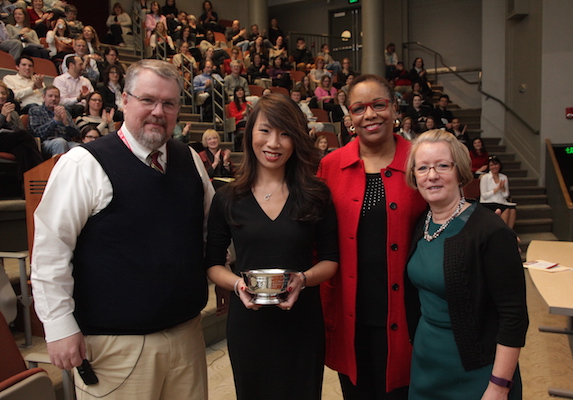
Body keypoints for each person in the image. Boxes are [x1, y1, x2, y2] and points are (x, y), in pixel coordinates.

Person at [31, 59, 215, 400]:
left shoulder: (190, 159)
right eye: (148, 100)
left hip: (187, 338)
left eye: (169, 103)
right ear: (124, 101)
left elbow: (209, 234)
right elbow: (50, 251)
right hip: (116, 349)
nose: (158, 111)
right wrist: (58, 326)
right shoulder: (82, 163)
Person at [205, 93, 339, 400]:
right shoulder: (228, 197)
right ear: (250, 132)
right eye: (265, 130)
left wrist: (302, 280)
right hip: (248, 325)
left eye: (285, 133)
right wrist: (238, 284)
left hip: (302, 323)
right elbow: (213, 263)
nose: (274, 143)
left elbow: (331, 260)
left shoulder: (316, 194)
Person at [317, 74, 427, 399]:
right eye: (359, 108)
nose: (370, 115)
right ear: (349, 116)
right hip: (350, 315)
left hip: (409, 316)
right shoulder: (330, 166)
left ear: (394, 108)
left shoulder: (419, 161)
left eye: (379, 105)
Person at [405, 130, 528, 399]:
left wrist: (498, 385)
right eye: (423, 167)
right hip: (426, 365)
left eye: (442, 166)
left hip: (477, 369)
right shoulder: (421, 223)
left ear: (460, 172)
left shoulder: (491, 231)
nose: (432, 175)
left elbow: (513, 316)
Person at [0, 81, 42, 180]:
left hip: (11, 142)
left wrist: (10, 122)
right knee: (25, 138)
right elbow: (23, 135)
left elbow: (21, 131)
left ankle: (25, 184)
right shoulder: (5, 111)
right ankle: (40, 168)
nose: (1, 96)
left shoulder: (13, 112)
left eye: (3, 93)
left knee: (22, 149)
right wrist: (2, 115)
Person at [28, 85, 79, 157]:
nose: (53, 99)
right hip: (46, 143)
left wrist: (66, 123)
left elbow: (76, 134)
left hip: (67, 142)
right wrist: (55, 120)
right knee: (60, 142)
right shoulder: (35, 110)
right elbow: (36, 133)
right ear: (43, 97)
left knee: (80, 147)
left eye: (56, 96)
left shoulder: (65, 112)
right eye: (50, 96)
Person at [479, 156, 517, 229]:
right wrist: (497, 189)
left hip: (501, 202)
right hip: (487, 202)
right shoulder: (485, 177)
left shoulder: (504, 177)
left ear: (499, 165)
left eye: (496, 164)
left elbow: (506, 195)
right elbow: (484, 195)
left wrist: (502, 189)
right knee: (506, 210)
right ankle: (503, 233)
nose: (494, 167)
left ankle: (509, 233)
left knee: (513, 210)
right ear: (489, 167)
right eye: (491, 165)